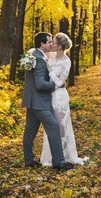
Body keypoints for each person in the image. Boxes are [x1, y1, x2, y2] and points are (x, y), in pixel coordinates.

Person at [40, 32, 89, 167]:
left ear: (60, 46)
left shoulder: (67, 62)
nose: (52, 45)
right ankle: (51, 156)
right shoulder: (51, 56)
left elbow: (60, 81)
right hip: (48, 96)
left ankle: (64, 156)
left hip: (60, 96)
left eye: (54, 43)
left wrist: (50, 71)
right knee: (50, 126)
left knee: (61, 126)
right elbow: (38, 53)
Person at [22, 32, 67, 171]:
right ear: (42, 44)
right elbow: (40, 84)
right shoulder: (40, 59)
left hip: (31, 100)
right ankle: (59, 163)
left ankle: (29, 161)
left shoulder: (32, 55)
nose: (51, 44)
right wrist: (55, 85)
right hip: (39, 102)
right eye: (48, 42)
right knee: (53, 126)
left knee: (30, 131)